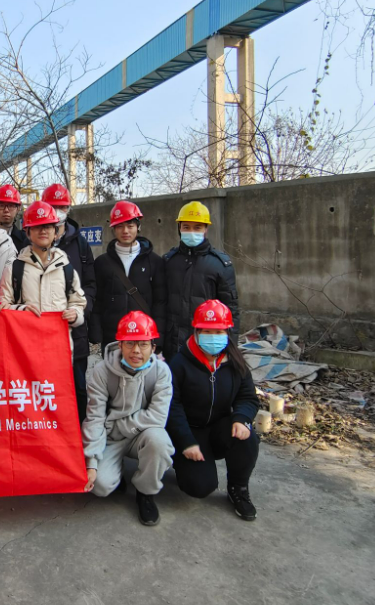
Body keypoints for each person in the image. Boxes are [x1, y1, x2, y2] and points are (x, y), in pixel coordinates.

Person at [166, 299, 259, 521]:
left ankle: (238, 489)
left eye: (218, 331)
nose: (213, 337)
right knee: (199, 487)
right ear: (196, 331)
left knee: (248, 438)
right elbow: (172, 406)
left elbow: (248, 397)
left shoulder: (236, 362)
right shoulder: (179, 363)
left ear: (227, 332)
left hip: (220, 427)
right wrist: (186, 441)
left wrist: (241, 418)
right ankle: (180, 462)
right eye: (206, 331)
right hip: (190, 431)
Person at [82, 311, 174, 526]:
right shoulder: (101, 371)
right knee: (100, 486)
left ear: (153, 347)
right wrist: (92, 462)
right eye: (130, 344)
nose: (136, 351)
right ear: (119, 344)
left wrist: (116, 425)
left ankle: (146, 492)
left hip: (142, 434)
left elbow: (158, 417)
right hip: (111, 437)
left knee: (160, 442)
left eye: (143, 344)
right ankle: (116, 472)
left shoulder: (161, 372)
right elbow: (94, 417)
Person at [0, 199, 87, 360]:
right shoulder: (15, 269)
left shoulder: (66, 268)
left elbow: (78, 302)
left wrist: (75, 315)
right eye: (37, 227)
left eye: (47, 226)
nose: (43, 231)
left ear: (56, 232)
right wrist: (22, 310)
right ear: (28, 232)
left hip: (58, 351)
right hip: (23, 352)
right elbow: (2, 307)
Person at [41, 183, 96, 419]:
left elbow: (91, 285)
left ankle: (80, 440)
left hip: (75, 329)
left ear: (69, 208)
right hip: (42, 330)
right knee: (46, 388)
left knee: (78, 388)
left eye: (62, 206)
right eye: (52, 206)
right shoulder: (32, 241)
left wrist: (82, 311)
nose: (57, 211)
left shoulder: (81, 245)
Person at [90, 201, 167, 355]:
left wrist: (158, 338)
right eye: (120, 226)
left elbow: (161, 302)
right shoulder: (102, 262)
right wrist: (95, 334)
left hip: (144, 336)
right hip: (112, 337)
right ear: (113, 229)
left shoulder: (155, 261)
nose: (125, 231)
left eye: (130, 226)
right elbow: (97, 301)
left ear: (138, 227)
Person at [163, 200, 239, 351]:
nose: (191, 232)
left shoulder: (220, 264)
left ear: (206, 229)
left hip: (206, 342)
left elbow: (231, 310)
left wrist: (231, 347)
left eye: (197, 227)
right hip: (172, 343)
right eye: (186, 227)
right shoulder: (168, 261)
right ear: (179, 228)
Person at [0, 183, 29, 252]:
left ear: (18, 209)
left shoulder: (25, 240)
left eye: (11, 206)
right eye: (2, 206)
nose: (6, 210)